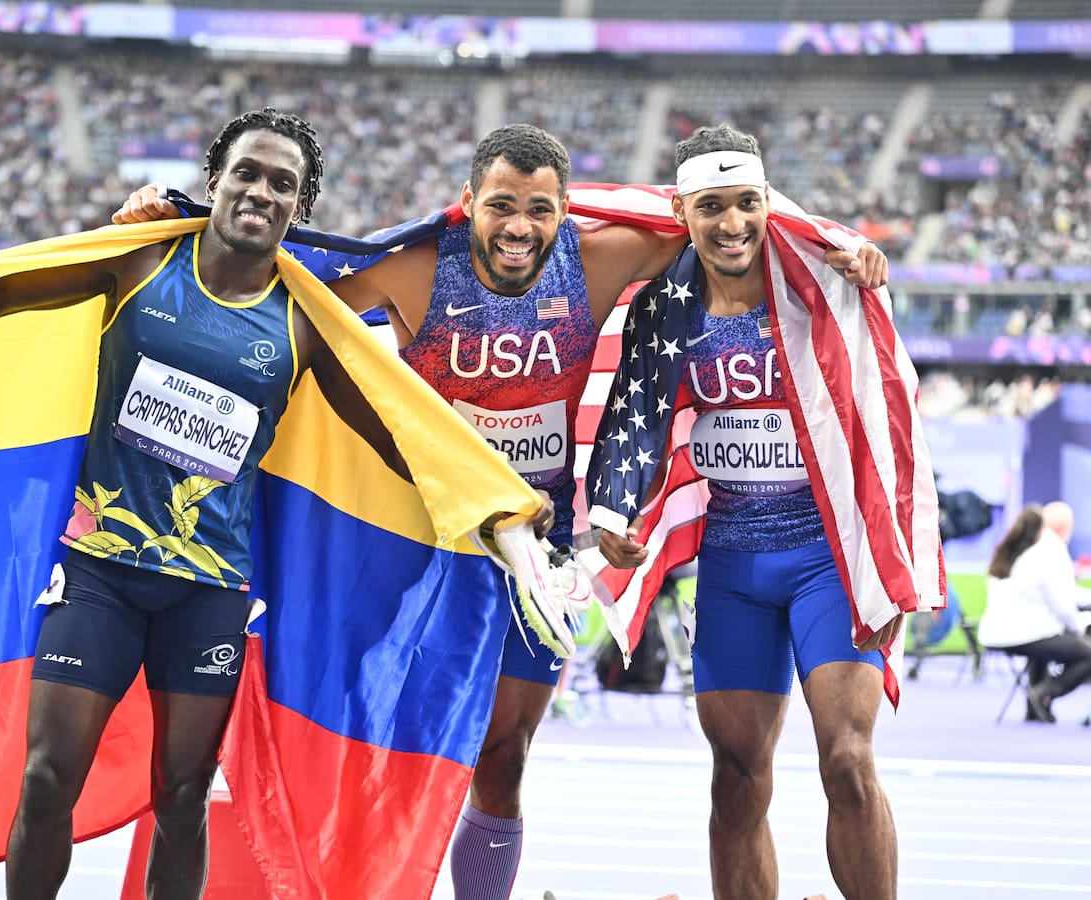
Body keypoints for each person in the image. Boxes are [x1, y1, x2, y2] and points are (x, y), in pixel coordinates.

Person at [113, 122, 888, 899]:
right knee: (383, 743)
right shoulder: (416, 267)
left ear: (564, 212)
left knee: (503, 757)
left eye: (539, 209)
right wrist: (176, 223)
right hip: (424, 545)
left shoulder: (600, 259)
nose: (520, 228)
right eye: (502, 206)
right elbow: (279, 289)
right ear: (468, 202)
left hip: (531, 552)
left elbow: (726, 221)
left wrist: (835, 243)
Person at [0, 108, 548, 900]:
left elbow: (398, 434)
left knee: (181, 797)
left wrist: (494, 501)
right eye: (247, 173)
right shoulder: (140, 263)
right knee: (46, 776)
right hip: (97, 572)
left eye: (282, 184)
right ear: (215, 181)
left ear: (299, 207)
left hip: (207, 594)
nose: (261, 192)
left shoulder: (304, 322)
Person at [592, 124, 942, 900]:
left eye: (747, 202)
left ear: (768, 201)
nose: (733, 222)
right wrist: (615, 509)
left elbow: (888, 413)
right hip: (732, 567)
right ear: (681, 212)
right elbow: (636, 418)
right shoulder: (665, 307)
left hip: (830, 562)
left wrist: (862, 260)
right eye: (712, 206)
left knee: (848, 761)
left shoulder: (821, 282)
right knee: (736, 775)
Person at [979, 502, 1091, 723]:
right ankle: (1045, 693)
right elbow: (1063, 606)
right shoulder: (1047, 553)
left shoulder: (1010, 552)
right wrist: (1077, 630)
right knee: (1086, 652)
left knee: (1048, 643)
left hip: (995, 633)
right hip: (1027, 634)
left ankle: (1034, 708)